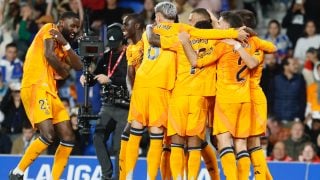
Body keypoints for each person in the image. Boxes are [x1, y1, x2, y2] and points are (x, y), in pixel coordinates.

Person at [9, 11, 82, 180]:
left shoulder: (64, 46)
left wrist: (65, 43)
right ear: (62, 23)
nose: (75, 30)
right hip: (35, 86)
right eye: (72, 25)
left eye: (78, 27)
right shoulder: (50, 28)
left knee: (68, 137)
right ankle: (17, 172)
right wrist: (63, 70)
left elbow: (77, 66)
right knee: (48, 135)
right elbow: (49, 55)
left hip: (50, 90)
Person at [79, 23, 128, 180]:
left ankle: (120, 177)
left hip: (125, 106)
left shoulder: (130, 55)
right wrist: (87, 77)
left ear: (123, 40)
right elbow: (96, 77)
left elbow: (132, 81)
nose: (113, 47)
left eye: (116, 44)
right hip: (108, 105)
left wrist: (111, 80)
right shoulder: (106, 56)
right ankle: (106, 175)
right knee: (98, 137)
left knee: (118, 145)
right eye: (111, 44)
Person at [119, 13, 144, 180]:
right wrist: (131, 91)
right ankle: (124, 176)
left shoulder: (149, 43)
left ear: (136, 26)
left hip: (156, 94)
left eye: (126, 24)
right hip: (139, 96)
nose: (123, 28)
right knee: (127, 133)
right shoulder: (130, 49)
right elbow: (129, 74)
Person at [272, 58, 306, 122]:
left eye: (296, 64)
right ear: (285, 66)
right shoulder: (276, 79)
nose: (296, 66)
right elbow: (270, 98)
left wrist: (299, 116)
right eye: (293, 64)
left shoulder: (300, 79)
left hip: (294, 119)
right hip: (277, 119)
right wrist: (271, 115)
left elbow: (303, 99)